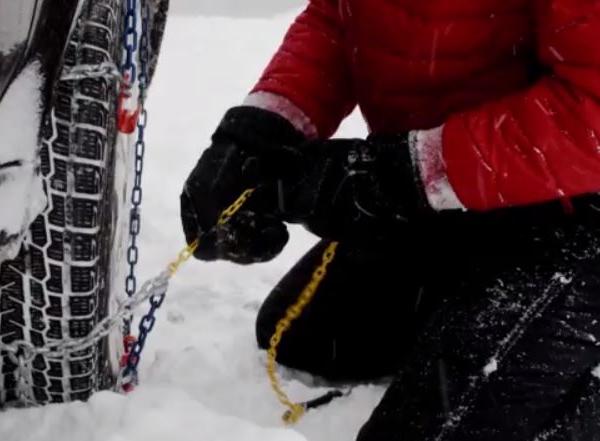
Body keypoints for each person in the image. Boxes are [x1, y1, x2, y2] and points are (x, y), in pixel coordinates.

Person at [179, 1, 600, 440]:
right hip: (462, 202)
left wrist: (398, 174)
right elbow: (338, 18)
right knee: (312, 341)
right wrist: (263, 129)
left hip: (575, 215)